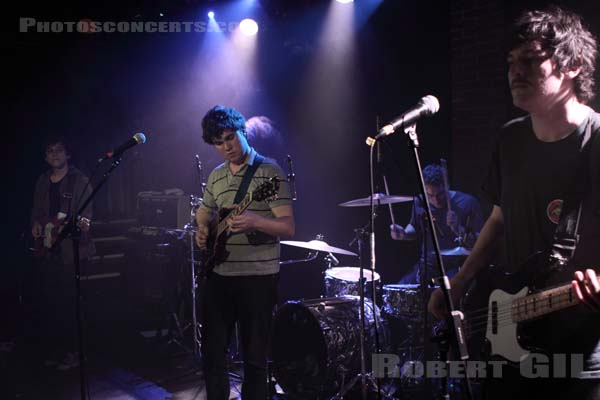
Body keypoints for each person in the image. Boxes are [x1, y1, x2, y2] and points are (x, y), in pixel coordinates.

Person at [428, 6, 600, 399]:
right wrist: (460, 282)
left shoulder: (596, 141)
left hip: (577, 349)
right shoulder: (510, 139)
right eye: (511, 62)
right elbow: (498, 219)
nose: (514, 71)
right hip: (510, 340)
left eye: (530, 59)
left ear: (572, 65)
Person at [195, 106, 295, 400]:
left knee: (254, 360)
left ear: (243, 132)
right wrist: (203, 229)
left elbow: (288, 227)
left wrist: (255, 220)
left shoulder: (269, 172)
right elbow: (204, 214)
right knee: (213, 356)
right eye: (218, 142)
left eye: (230, 137)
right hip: (219, 276)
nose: (226, 146)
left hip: (257, 279)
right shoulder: (215, 176)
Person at [27, 136, 93, 371]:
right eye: (50, 151)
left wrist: (83, 225)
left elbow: (86, 218)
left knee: (70, 304)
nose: (55, 154)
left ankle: (74, 353)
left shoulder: (80, 181)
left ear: (68, 155)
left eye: (59, 150)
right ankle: (56, 350)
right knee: (51, 302)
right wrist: (35, 224)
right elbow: (36, 211)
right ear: (45, 157)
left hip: (70, 252)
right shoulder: (42, 181)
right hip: (47, 250)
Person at [389, 163, 483, 284]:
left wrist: (458, 228)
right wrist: (403, 234)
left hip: (457, 266)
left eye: (440, 194)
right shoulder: (420, 202)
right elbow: (414, 228)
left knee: (447, 291)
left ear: (447, 185)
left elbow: (480, 243)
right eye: (430, 195)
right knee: (399, 290)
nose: (436, 200)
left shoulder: (468, 203)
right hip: (428, 265)